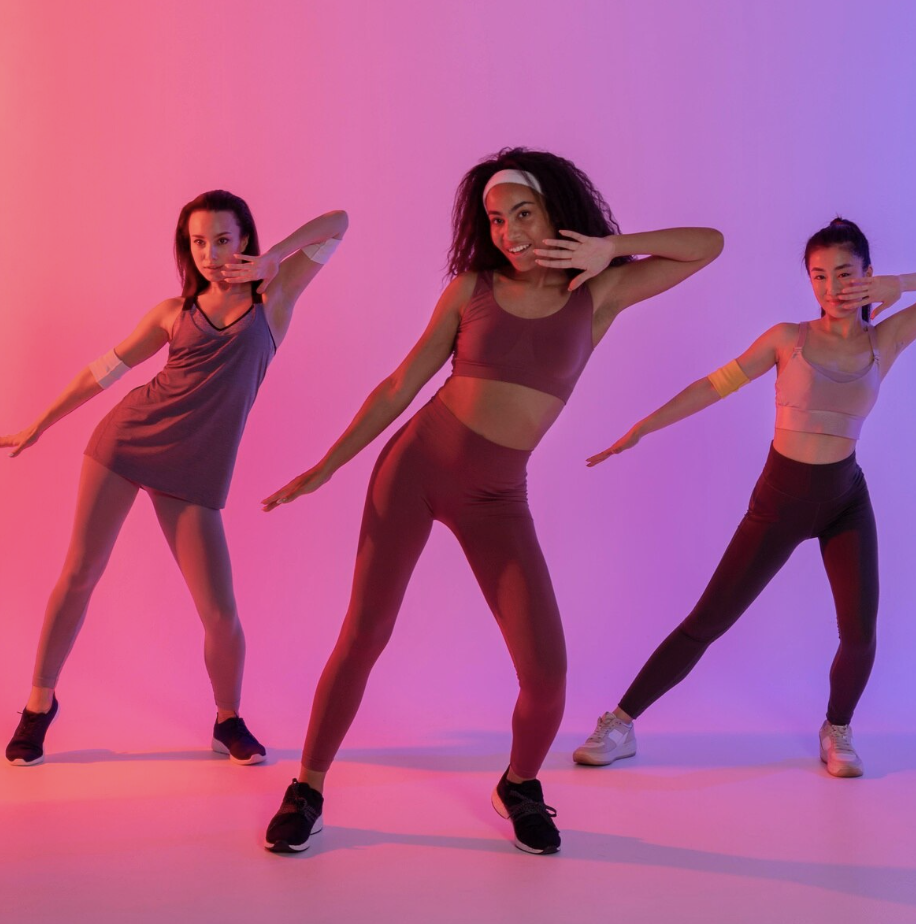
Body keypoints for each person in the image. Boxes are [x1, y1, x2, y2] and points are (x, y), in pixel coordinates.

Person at [261, 148, 723, 854]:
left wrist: (612, 249)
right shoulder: (471, 289)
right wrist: (328, 465)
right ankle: (308, 788)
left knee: (547, 675)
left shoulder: (596, 293)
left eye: (523, 214)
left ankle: (518, 784)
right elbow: (397, 387)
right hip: (414, 470)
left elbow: (708, 247)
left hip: (498, 497)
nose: (507, 230)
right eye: (496, 219)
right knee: (364, 636)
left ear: (556, 213)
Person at [4, 190, 348, 767]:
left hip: (195, 471)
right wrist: (39, 422)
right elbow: (103, 372)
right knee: (81, 572)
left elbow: (338, 223)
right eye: (197, 243)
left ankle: (227, 719)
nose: (210, 254)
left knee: (220, 613)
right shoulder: (173, 312)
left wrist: (277, 257)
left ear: (245, 240)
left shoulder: (276, 298)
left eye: (222, 239)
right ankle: (38, 706)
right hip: (125, 443)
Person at [573, 218, 916, 779]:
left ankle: (837, 729)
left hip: (845, 499)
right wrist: (644, 426)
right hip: (781, 500)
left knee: (860, 632)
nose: (832, 288)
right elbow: (714, 384)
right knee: (708, 620)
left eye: (846, 274)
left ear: (869, 276)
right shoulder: (789, 338)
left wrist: (901, 284)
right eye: (819, 276)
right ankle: (620, 723)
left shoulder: (888, 337)